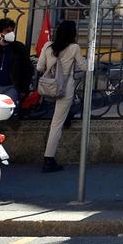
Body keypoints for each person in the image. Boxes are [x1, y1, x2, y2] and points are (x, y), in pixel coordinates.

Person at [36, 19, 82, 173]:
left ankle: (67, 116)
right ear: (73, 34)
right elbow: (84, 66)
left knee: (57, 118)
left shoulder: (47, 46)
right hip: (65, 88)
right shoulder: (74, 48)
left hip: (49, 86)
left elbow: (39, 67)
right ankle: (49, 158)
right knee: (57, 123)